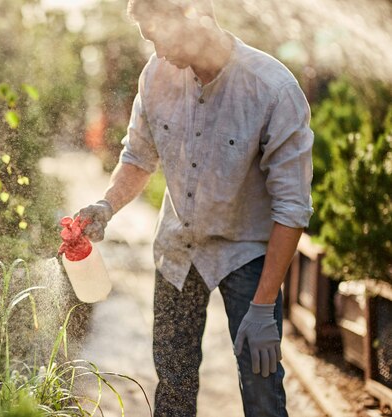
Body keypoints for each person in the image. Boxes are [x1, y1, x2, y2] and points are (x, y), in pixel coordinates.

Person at [76, 1, 314, 416]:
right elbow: (137, 158)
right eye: (148, 39)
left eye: (159, 36)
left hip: (245, 252)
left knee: (262, 392)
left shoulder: (272, 89)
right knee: (173, 386)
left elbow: (292, 208)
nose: (157, 51)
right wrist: (106, 204)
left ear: (195, 13)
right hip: (177, 251)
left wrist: (263, 308)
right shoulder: (156, 75)